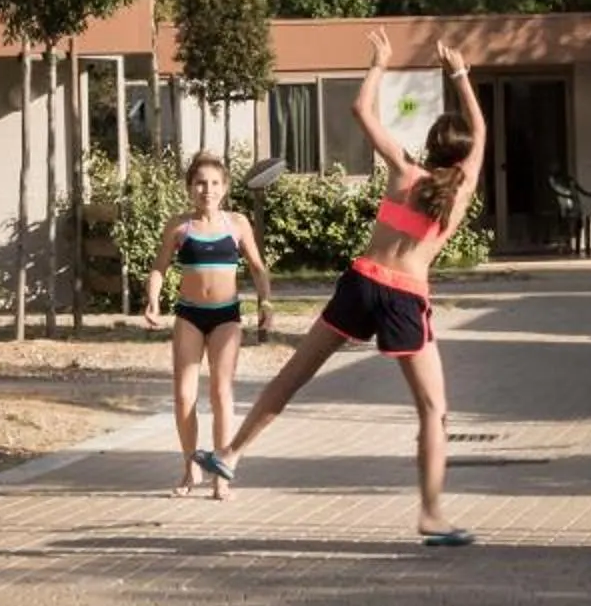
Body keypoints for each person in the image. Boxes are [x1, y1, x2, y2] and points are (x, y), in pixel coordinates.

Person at [193, 27, 485, 546]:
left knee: (295, 373)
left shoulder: (403, 171)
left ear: (429, 147)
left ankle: (231, 453)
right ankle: (432, 513)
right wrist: (460, 75)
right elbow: (481, 133)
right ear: (461, 158)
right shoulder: (458, 194)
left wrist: (379, 63)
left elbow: (360, 111)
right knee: (432, 411)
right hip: (403, 296)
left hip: (362, 282)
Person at [142, 151, 271, 498]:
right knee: (184, 396)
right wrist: (153, 299)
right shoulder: (179, 226)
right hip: (189, 315)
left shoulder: (237, 224)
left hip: (226, 317)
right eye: (200, 183)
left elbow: (258, 268)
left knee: (220, 393)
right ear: (189, 188)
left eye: (214, 183)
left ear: (225, 187)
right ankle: (190, 467)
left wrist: (266, 303)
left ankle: (221, 473)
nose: (207, 190)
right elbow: (159, 267)